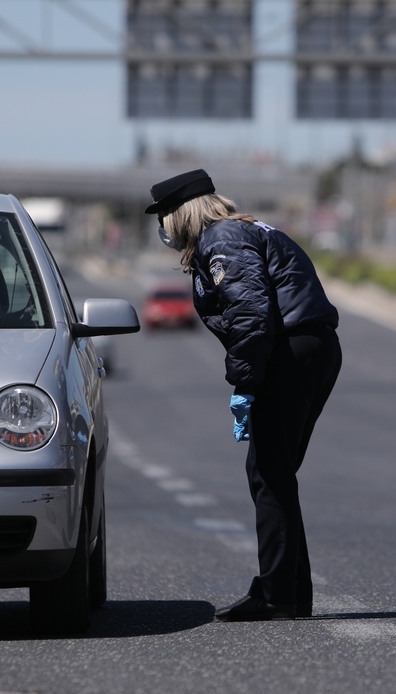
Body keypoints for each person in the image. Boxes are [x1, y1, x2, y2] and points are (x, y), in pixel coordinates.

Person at [145, 169, 342, 619]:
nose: (163, 229)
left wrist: (245, 383)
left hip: (289, 351)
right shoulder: (243, 230)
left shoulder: (222, 240)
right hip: (310, 347)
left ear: (182, 214)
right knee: (275, 474)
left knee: (270, 474)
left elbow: (251, 315)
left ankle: (277, 595)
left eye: (165, 217)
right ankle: (288, 590)